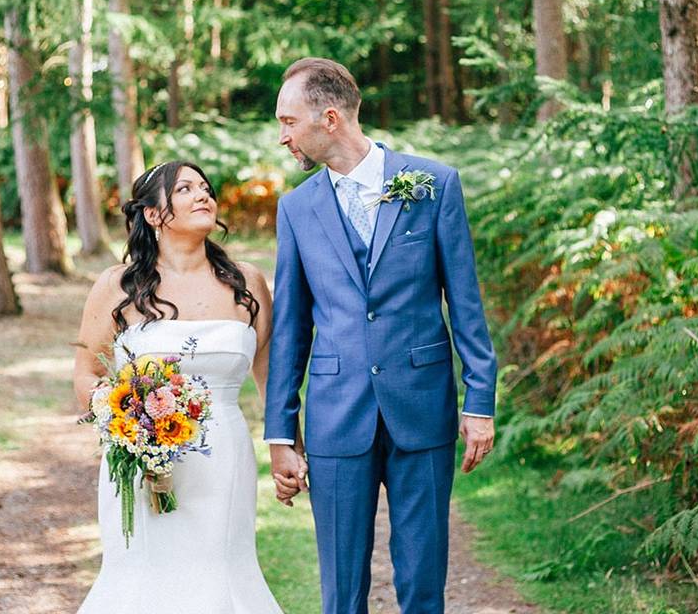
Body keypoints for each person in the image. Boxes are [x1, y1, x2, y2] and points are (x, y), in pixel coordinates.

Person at [265, 58, 498, 614]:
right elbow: (292, 328)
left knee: (422, 580)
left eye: (288, 122)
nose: (282, 137)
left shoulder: (434, 184)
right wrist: (280, 431)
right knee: (342, 590)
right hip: (335, 413)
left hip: (422, 406)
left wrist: (480, 402)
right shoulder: (296, 209)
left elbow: (465, 304)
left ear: (329, 119)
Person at [74, 161, 284, 613]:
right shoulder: (118, 285)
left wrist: (285, 445)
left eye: (206, 188)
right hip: (140, 463)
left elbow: (270, 375)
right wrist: (127, 424)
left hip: (223, 458)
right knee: (142, 574)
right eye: (186, 189)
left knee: (219, 572)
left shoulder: (247, 283)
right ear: (152, 214)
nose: (203, 195)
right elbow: (86, 373)